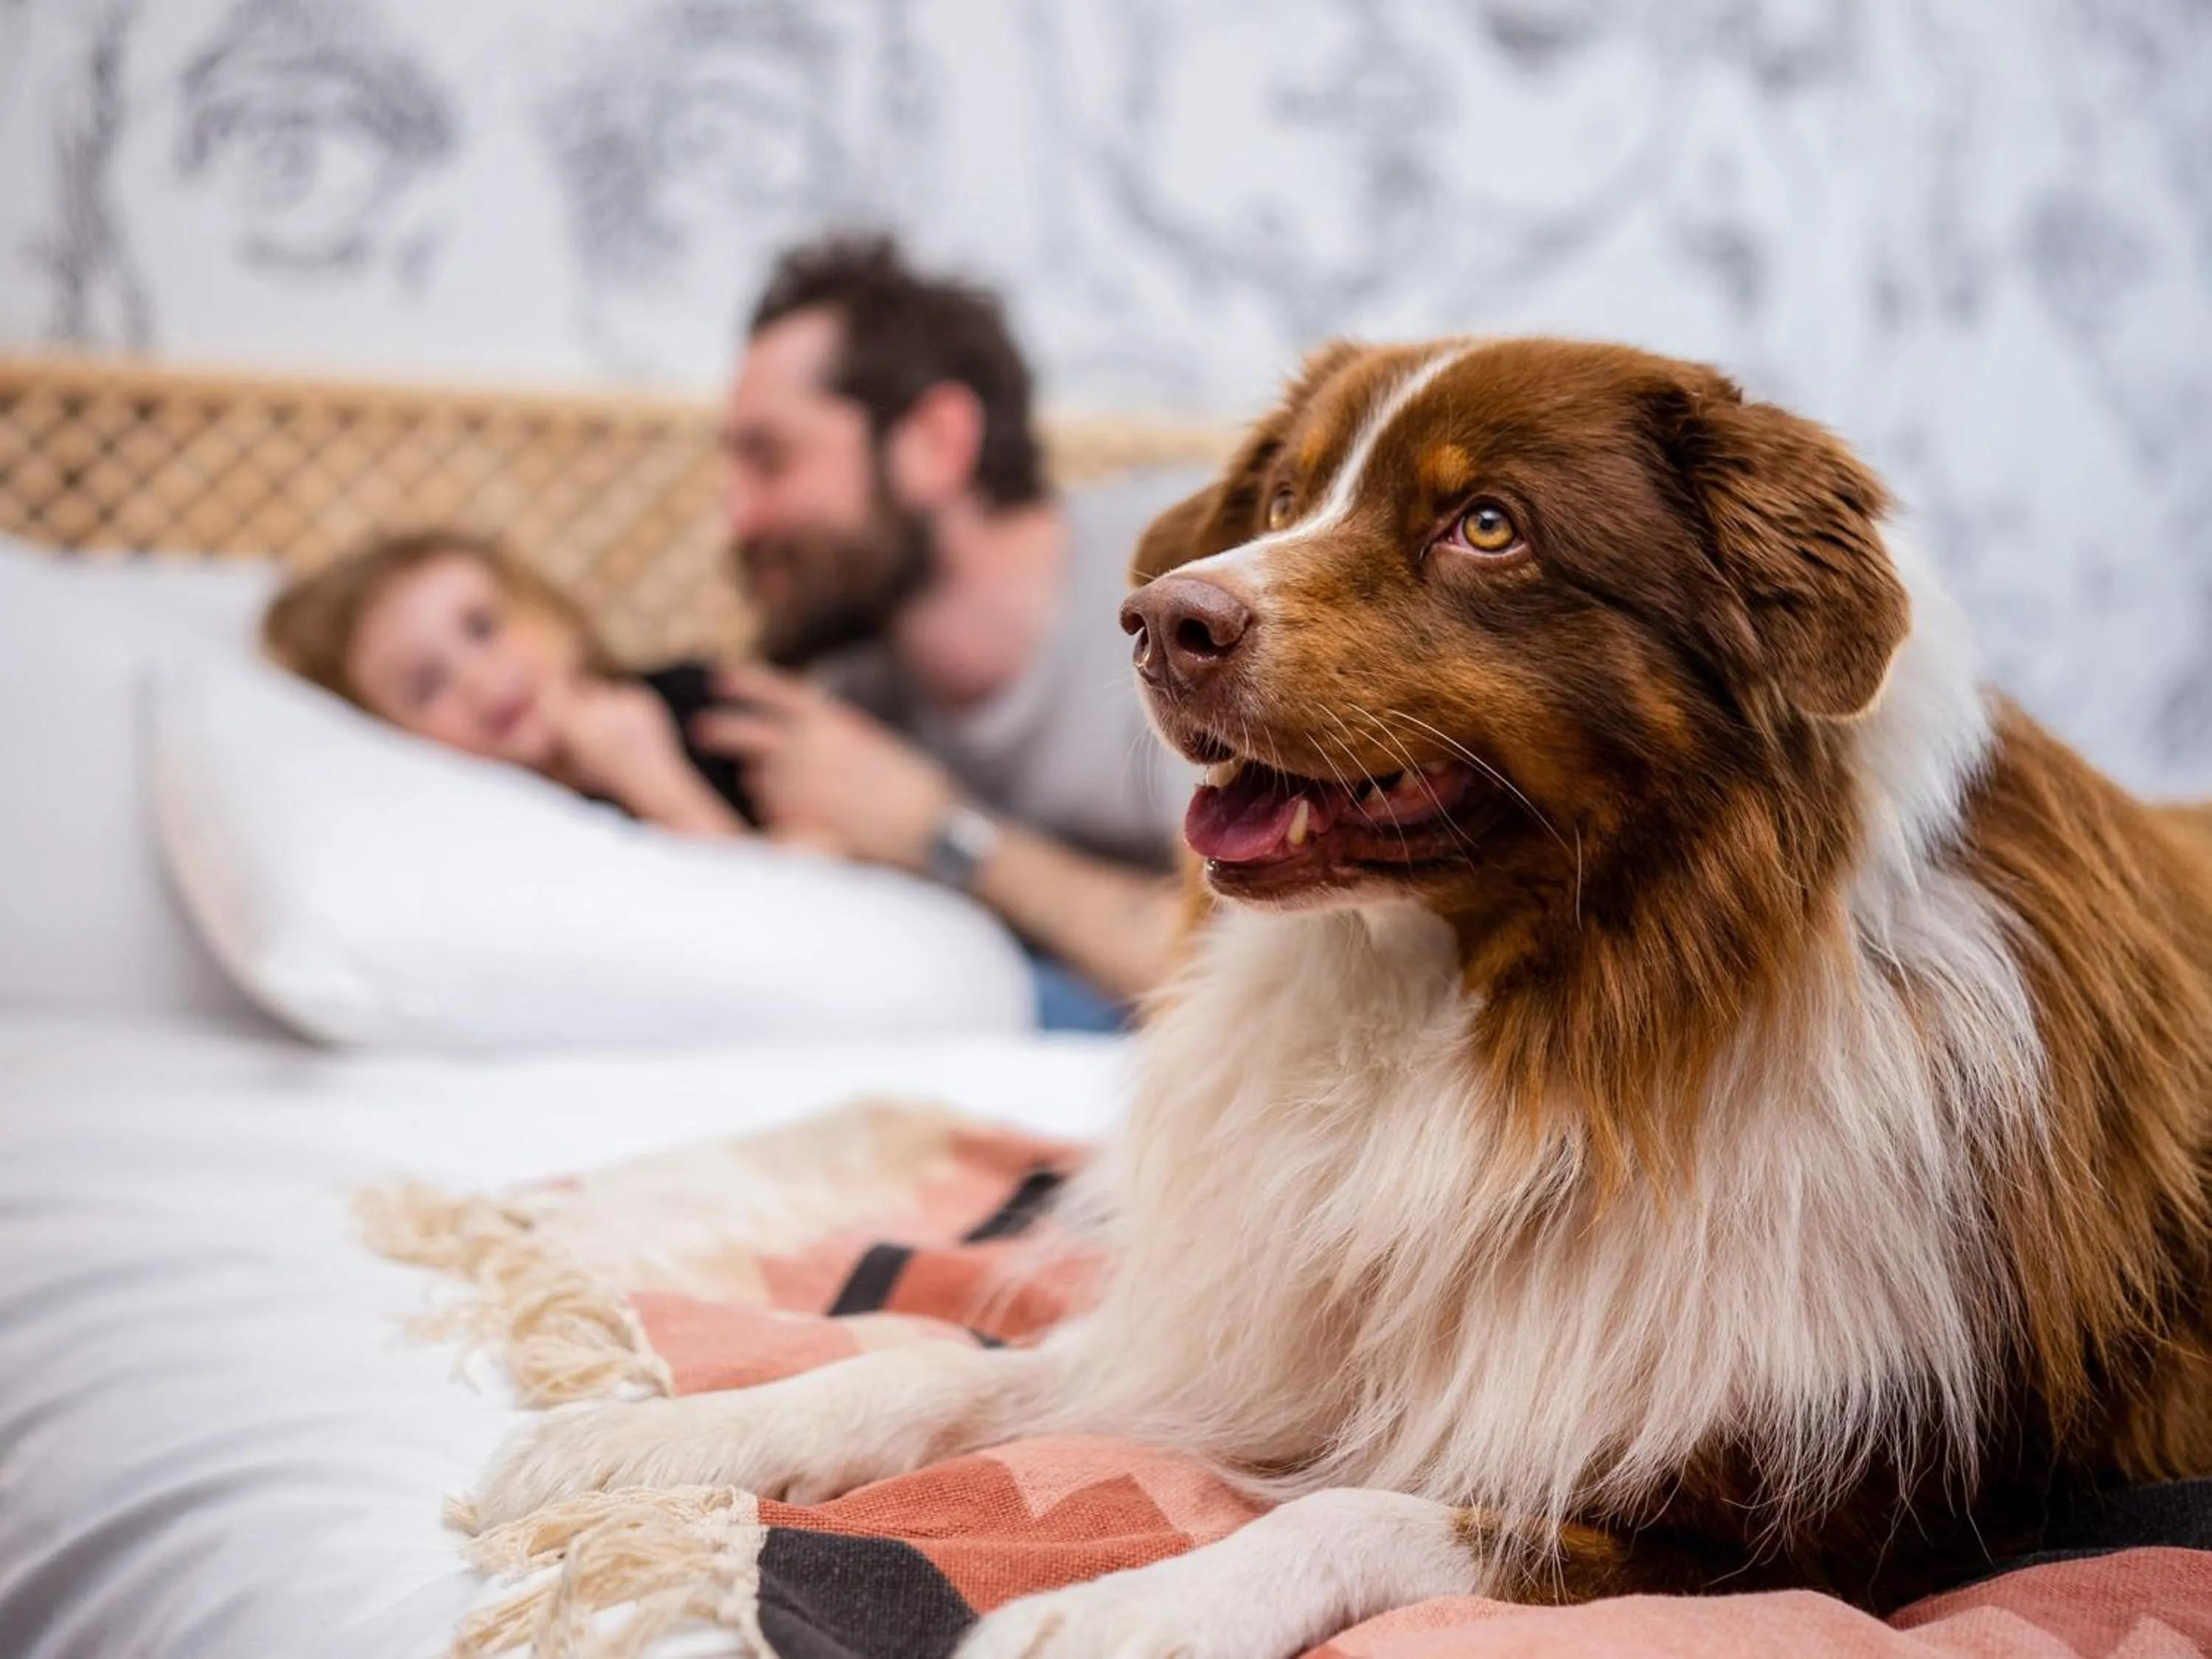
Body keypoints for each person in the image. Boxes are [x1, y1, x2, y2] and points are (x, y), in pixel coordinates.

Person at [689, 235, 1197, 1029]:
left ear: (935, 443)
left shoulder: (1185, 601)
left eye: (772, 459)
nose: (737, 519)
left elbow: (1256, 981)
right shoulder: (851, 681)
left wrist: (941, 834)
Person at [262, 528, 751, 839]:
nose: (479, 680)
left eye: (483, 628)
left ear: (551, 611)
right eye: (427, 685)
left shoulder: (711, 708)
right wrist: (656, 789)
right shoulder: (494, 836)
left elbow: (795, 912)